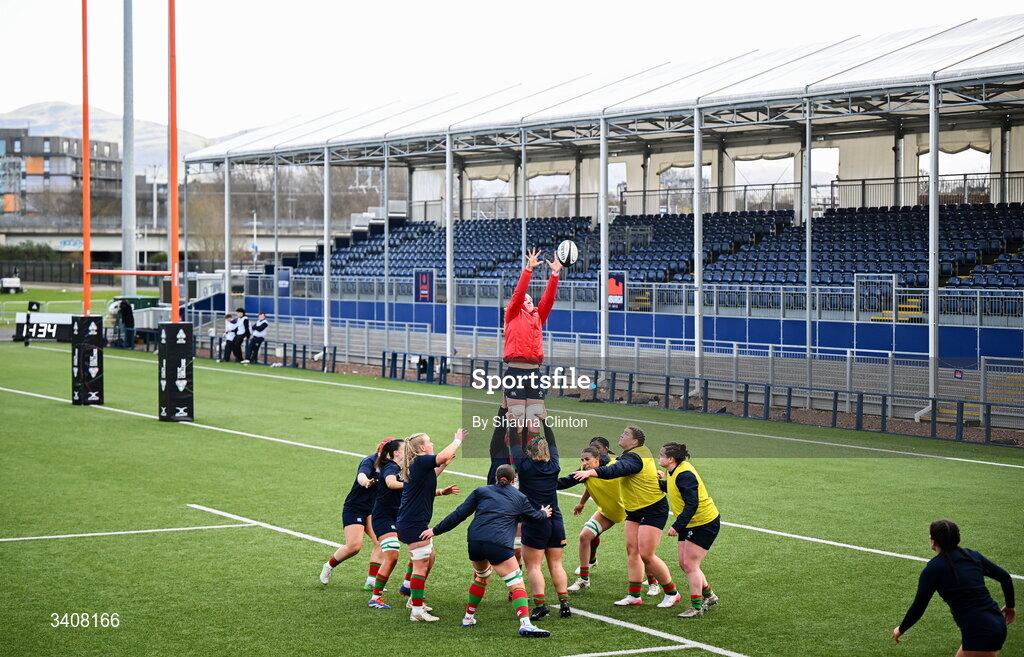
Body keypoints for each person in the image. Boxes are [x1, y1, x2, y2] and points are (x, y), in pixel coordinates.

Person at [421, 464, 553, 637]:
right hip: (498, 543)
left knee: (481, 577)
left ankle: (468, 617)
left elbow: (459, 514)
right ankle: (526, 624)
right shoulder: (520, 497)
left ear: (495, 478)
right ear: (514, 481)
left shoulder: (481, 491)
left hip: (475, 541)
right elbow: (534, 517)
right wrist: (544, 513)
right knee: (516, 583)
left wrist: (435, 530)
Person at [573, 426, 681, 609]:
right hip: (634, 510)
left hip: (653, 508)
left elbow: (619, 469)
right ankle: (634, 595)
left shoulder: (635, 456)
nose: (620, 435)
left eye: (625, 434)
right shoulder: (631, 454)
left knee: (646, 554)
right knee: (632, 551)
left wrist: (591, 472)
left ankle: (672, 593)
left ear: (634, 441)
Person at [892, 519, 1015, 656]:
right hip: (994, 621)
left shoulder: (933, 569)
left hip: (980, 630)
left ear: (933, 541)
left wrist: (901, 629)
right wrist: (1010, 606)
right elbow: (1005, 577)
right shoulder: (972, 556)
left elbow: (919, 607)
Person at [396, 429, 465, 622]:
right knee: (420, 564)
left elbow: (432, 473)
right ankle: (416, 610)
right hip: (413, 524)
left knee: (429, 557)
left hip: (411, 522)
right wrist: (457, 440)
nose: (432, 444)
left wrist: (443, 469)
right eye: (429, 442)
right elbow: (442, 455)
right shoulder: (419, 460)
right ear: (420, 448)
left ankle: (411, 596)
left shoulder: (417, 465)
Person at [511, 416, 570, 621]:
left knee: (534, 566)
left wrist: (512, 423)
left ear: (529, 452)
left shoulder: (524, 465)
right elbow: (553, 443)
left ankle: (541, 604)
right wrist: (546, 422)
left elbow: (513, 443)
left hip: (535, 520)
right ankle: (564, 603)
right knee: (556, 564)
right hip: (556, 519)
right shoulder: (554, 465)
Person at [502, 247, 561, 441]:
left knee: (534, 420)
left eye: (529, 298)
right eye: (523, 298)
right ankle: (514, 465)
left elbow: (549, 300)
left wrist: (554, 275)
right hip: (515, 371)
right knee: (517, 421)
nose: (526, 299)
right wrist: (528, 270)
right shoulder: (512, 314)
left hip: (535, 372)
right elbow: (519, 293)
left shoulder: (537, 316)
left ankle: (532, 460)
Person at [658, 442, 721, 618]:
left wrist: (677, 525)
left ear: (671, 459)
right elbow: (673, 488)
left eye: (661, 455)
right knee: (684, 564)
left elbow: (692, 503)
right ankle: (709, 596)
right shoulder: (673, 471)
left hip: (703, 523)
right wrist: (659, 483)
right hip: (690, 523)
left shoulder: (685, 474)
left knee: (690, 565)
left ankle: (696, 607)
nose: (658, 457)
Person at [319, 440, 389, 591]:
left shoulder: (392, 466)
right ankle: (329, 565)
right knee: (354, 546)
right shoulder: (370, 461)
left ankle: (371, 580)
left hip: (373, 509)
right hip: (355, 507)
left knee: (381, 542)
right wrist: (366, 482)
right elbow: (361, 475)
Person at [366, 439, 405, 609]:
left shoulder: (405, 468)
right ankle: (375, 598)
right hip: (384, 518)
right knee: (392, 554)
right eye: (405, 448)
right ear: (396, 453)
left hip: (400, 517)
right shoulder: (391, 467)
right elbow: (390, 483)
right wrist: (410, 484)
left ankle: (409, 587)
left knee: (425, 550)